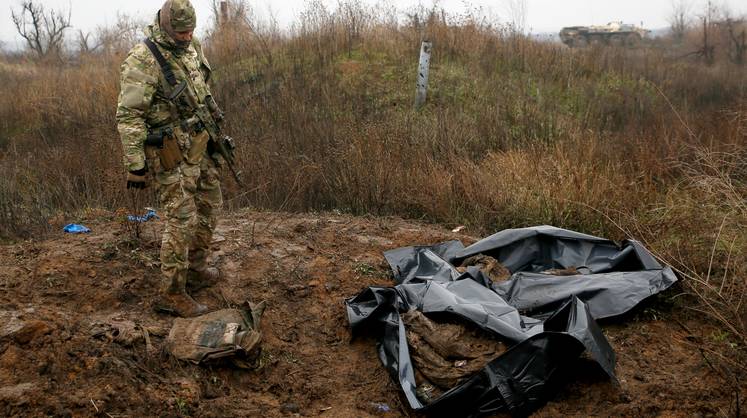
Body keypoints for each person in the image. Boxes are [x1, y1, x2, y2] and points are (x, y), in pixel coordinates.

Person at [116, 0, 223, 317]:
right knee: (181, 220)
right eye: (180, 32)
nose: (187, 36)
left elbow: (203, 84)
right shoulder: (143, 59)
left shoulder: (192, 45)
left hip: (201, 144)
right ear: (165, 26)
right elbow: (128, 117)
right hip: (170, 151)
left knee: (209, 206)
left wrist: (214, 115)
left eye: (191, 30)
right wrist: (135, 165)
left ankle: (196, 270)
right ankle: (172, 293)